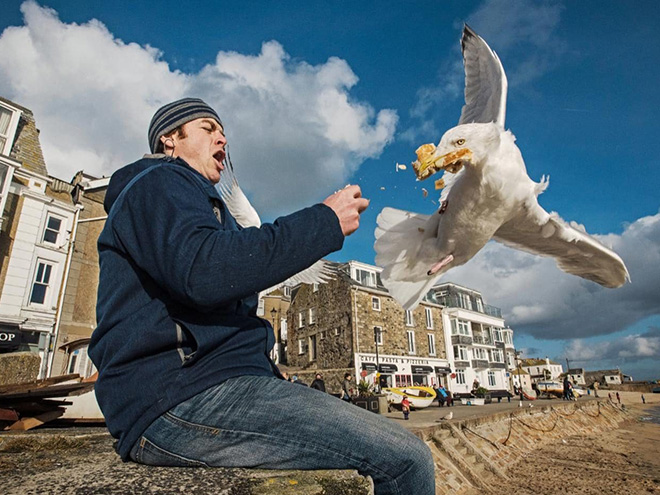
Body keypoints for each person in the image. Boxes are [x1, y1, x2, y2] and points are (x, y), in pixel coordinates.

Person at [88, 98, 435, 495]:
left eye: (223, 130)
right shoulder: (157, 181)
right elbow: (205, 272)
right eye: (207, 127)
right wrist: (322, 222)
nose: (223, 137)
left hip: (207, 387)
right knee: (407, 459)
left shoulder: (204, 207)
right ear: (170, 139)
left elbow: (229, 270)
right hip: (178, 397)